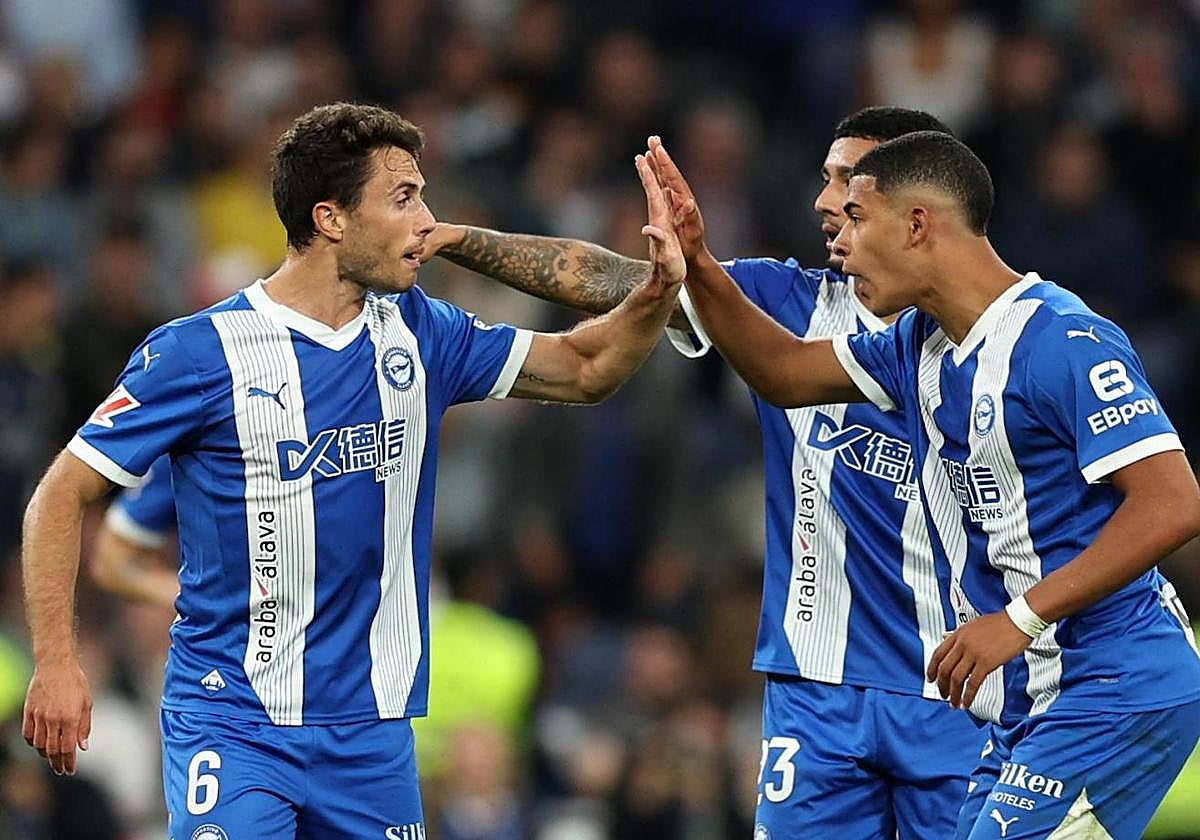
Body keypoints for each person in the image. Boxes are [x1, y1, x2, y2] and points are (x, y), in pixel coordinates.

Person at [19, 101, 685, 839]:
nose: (425, 219)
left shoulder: (421, 330)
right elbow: (61, 493)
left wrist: (656, 292)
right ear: (331, 219)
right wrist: (56, 661)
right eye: (403, 198)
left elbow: (589, 369)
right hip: (236, 722)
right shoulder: (198, 353)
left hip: (371, 736)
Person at [422, 107, 985, 838]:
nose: (823, 200)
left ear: (915, 205)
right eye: (823, 179)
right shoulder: (790, 302)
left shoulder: (1005, 339)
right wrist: (460, 238)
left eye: (845, 180)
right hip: (816, 693)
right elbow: (608, 278)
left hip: (956, 689)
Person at [650, 130, 1200, 838]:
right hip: (1029, 699)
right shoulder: (920, 346)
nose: (838, 242)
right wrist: (696, 261)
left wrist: (1019, 618)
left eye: (856, 218)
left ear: (916, 224)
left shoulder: (1062, 338)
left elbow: (1175, 501)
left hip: (1116, 686)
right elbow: (784, 372)